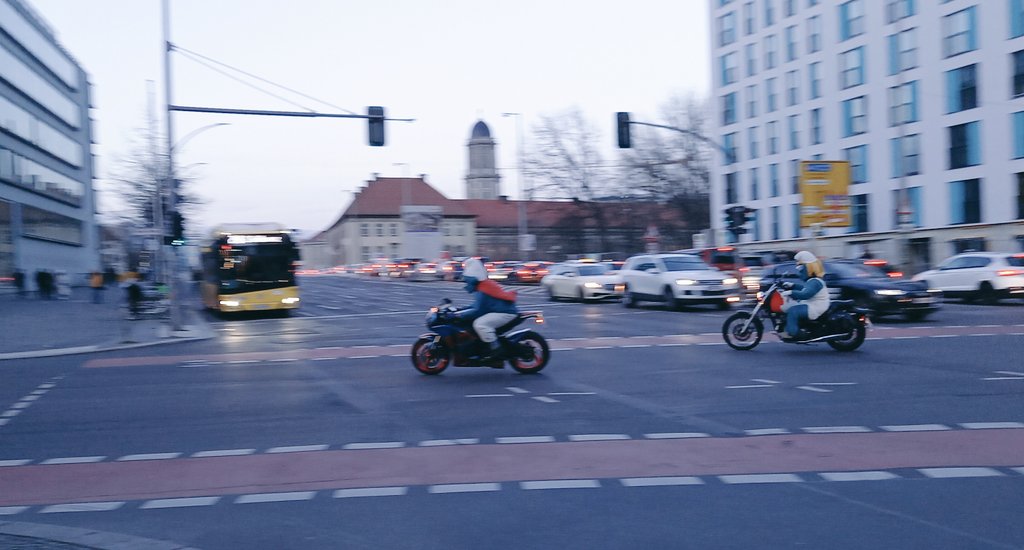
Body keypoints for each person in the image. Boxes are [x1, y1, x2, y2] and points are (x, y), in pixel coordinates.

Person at [454, 258, 518, 360]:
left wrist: (459, 315)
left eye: (467, 279)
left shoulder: (484, 288)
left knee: (480, 324)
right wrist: (459, 310)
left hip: (505, 313)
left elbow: (478, 310)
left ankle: (496, 349)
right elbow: (476, 306)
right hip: (500, 311)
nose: (466, 282)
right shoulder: (483, 285)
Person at [782, 251, 830, 340]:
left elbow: (806, 294)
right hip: (811, 303)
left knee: (793, 311)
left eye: (800, 268)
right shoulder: (812, 281)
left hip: (816, 306)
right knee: (792, 306)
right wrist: (792, 285)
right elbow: (804, 289)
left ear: (809, 268)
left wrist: (791, 292)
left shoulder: (815, 282)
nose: (799, 271)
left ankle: (795, 334)